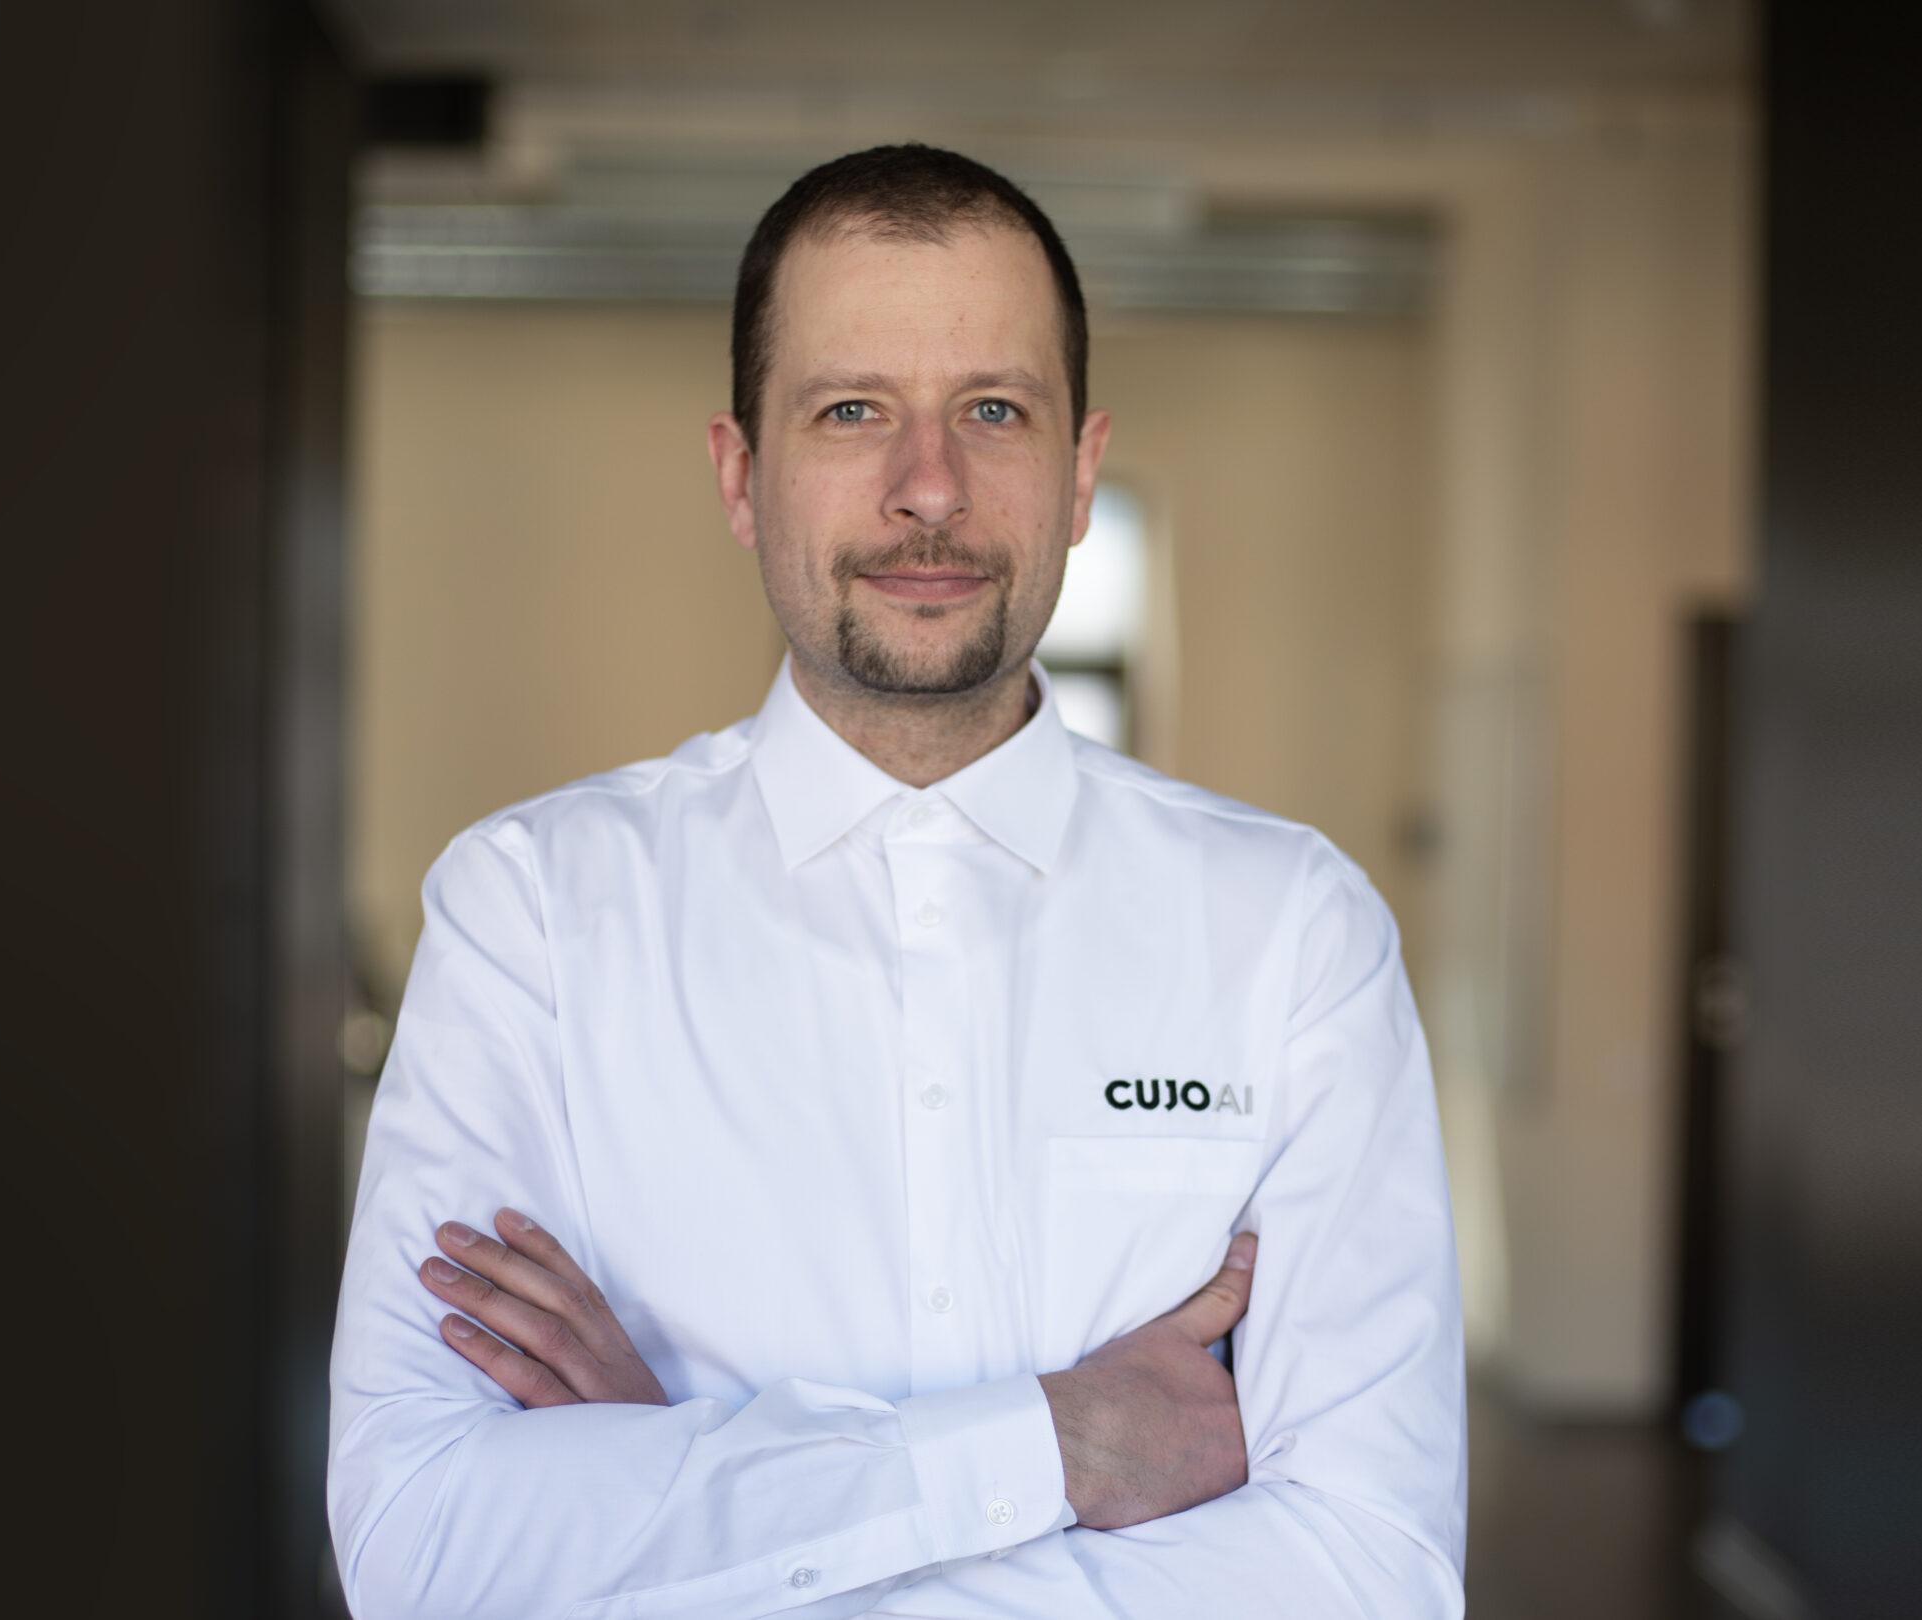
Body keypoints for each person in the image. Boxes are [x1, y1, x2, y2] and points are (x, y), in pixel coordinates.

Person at [328, 144, 1464, 1618]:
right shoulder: (532, 912)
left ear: (1079, 473)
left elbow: (1374, 1573)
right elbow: (423, 1543)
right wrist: (1054, 1446)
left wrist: (688, 1496)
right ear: (743, 476)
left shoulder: (1293, 934)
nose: (929, 488)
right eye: (851, 410)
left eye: (995, 410)